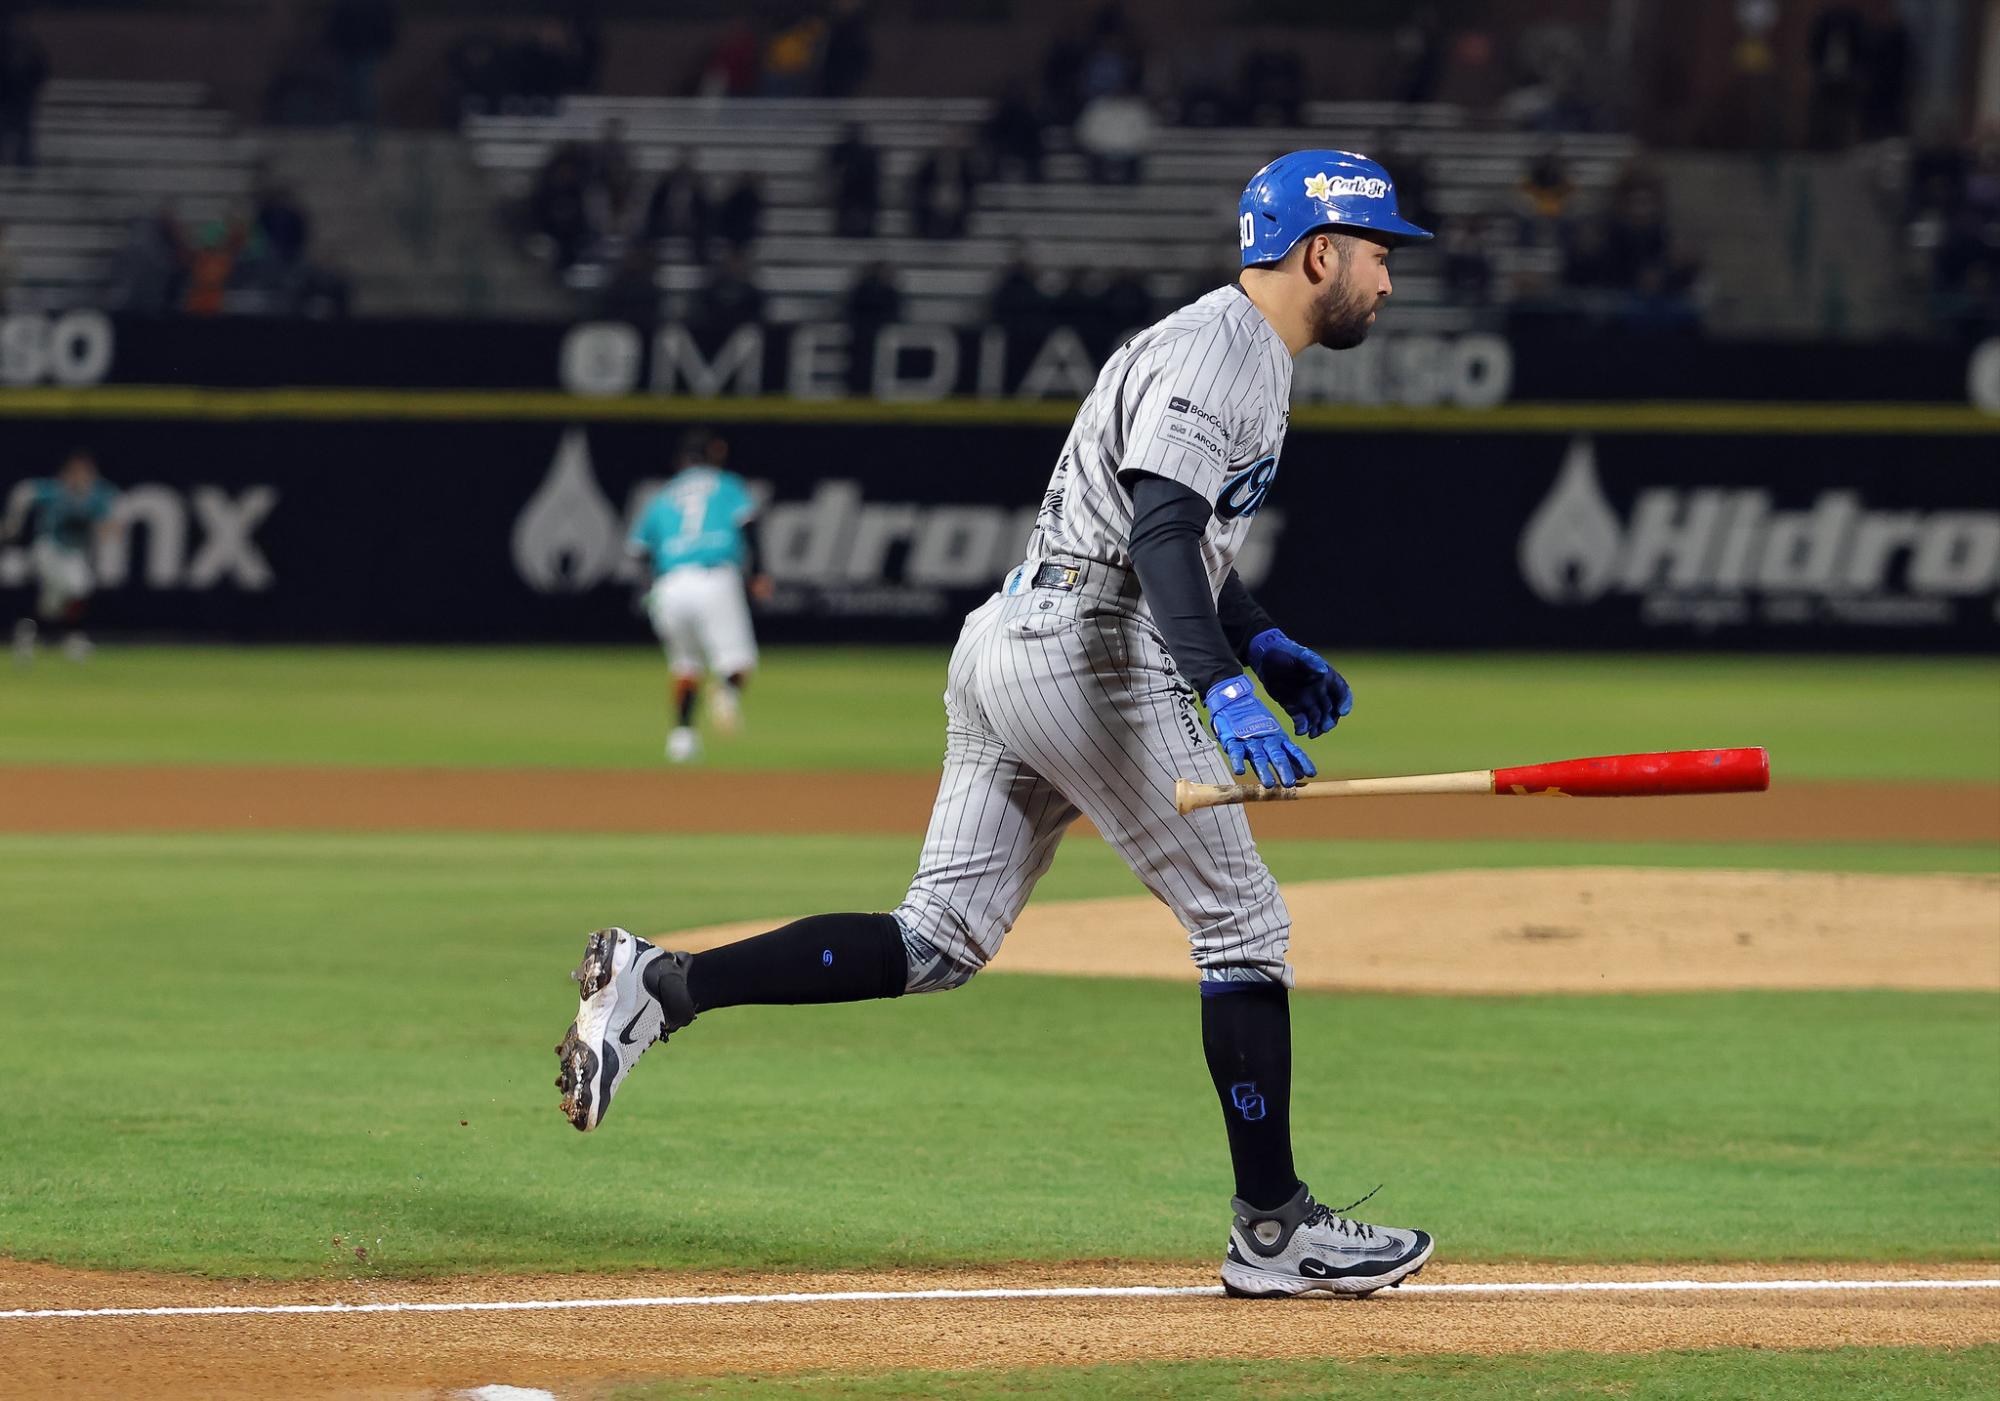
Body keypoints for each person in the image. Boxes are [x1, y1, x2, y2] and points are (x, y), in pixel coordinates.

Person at [555, 150, 1440, 1300]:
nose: (1388, 278)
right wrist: (1220, 688)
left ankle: (659, 987)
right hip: (1089, 648)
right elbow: (1162, 534)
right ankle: (1272, 1229)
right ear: (1317, 251)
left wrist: (1261, 644)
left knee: (936, 939)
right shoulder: (1224, 352)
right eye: (1378, 253)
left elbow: (1175, 537)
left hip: (1011, 641)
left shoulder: (1233, 353)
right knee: (1241, 926)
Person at [624, 429, 769, 763]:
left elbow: (637, 550)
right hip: (713, 577)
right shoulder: (726, 484)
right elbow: (749, 525)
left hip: (670, 586)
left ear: (681, 461)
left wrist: (648, 589)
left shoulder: (663, 496)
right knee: (738, 662)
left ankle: (682, 739)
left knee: (685, 665)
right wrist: (759, 572)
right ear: (714, 454)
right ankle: (727, 692)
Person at [6, 449, 118, 664]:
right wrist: (14, 522)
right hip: (48, 547)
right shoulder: (57, 491)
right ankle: (73, 638)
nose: (79, 477)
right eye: (75, 472)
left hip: (73, 553)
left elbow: (110, 519)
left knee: (54, 602)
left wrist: (108, 528)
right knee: (74, 586)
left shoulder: (98, 494)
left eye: (84, 472)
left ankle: (27, 634)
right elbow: (24, 491)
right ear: (67, 473)